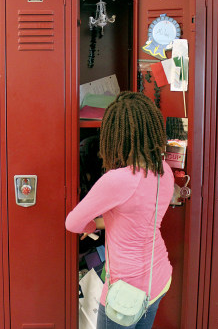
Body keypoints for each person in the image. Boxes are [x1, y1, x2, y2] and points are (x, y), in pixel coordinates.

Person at [66, 91, 174, 329]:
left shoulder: (117, 180)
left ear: (116, 135)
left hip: (125, 288)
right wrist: (101, 222)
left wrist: (91, 225)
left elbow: (73, 223)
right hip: (158, 279)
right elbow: (137, 217)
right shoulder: (164, 170)